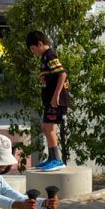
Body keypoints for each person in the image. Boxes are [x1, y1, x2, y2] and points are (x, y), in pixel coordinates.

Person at [28, 30, 70, 170]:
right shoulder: (44, 58)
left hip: (55, 100)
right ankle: (52, 157)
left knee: (49, 128)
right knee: (46, 128)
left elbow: (62, 74)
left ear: (40, 44)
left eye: (33, 49)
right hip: (49, 100)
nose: (34, 52)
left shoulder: (50, 55)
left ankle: (57, 160)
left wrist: (56, 95)